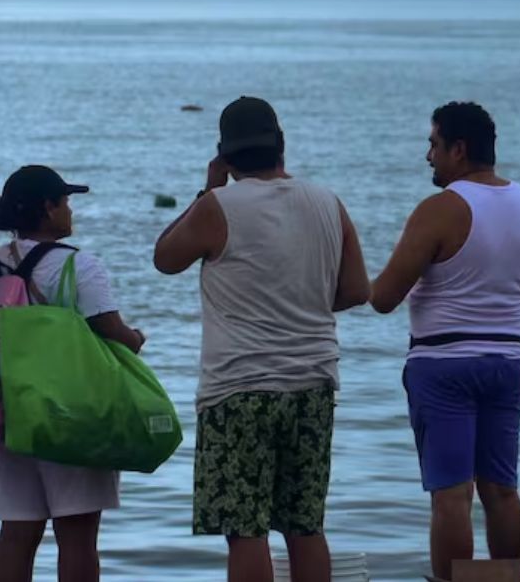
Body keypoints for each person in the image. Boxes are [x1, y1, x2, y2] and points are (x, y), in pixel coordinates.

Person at [153, 96, 370, 582]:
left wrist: (207, 189)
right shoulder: (328, 202)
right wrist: (301, 302)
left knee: (245, 531)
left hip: (239, 389)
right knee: (305, 525)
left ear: (225, 156)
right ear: (282, 147)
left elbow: (165, 258)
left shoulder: (218, 206)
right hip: (313, 384)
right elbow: (357, 290)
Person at [369, 101, 520, 580]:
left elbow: (383, 297)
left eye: (433, 145)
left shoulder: (440, 209)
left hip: (444, 365)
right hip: (507, 361)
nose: (427, 156)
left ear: (458, 149)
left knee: (452, 496)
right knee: (502, 491)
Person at [0, 165, 146, 582]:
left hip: (5, 411)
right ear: (48, 208)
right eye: (65, 202)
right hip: (70, 412)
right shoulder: (80, 267)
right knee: (77, 535)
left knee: (17, 531)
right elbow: (110, 330)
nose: (70, 211)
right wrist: (137, 338)